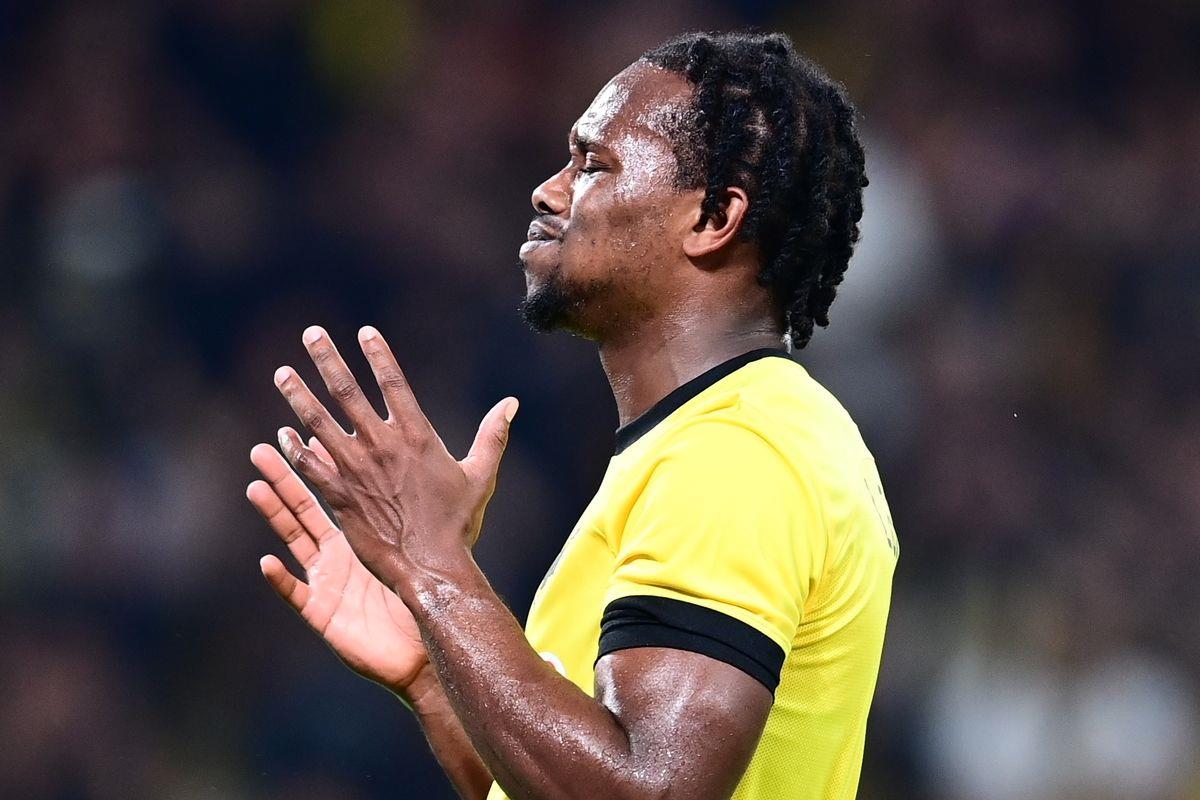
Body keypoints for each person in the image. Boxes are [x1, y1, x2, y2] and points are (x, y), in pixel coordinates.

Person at [245, 30, 897, 800]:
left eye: (593, 164)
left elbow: (650, 790)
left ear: (713, 216)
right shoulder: (725, 436)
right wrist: (435, 669)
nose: (548, 191)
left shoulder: (739, 451)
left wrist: (434, 567)